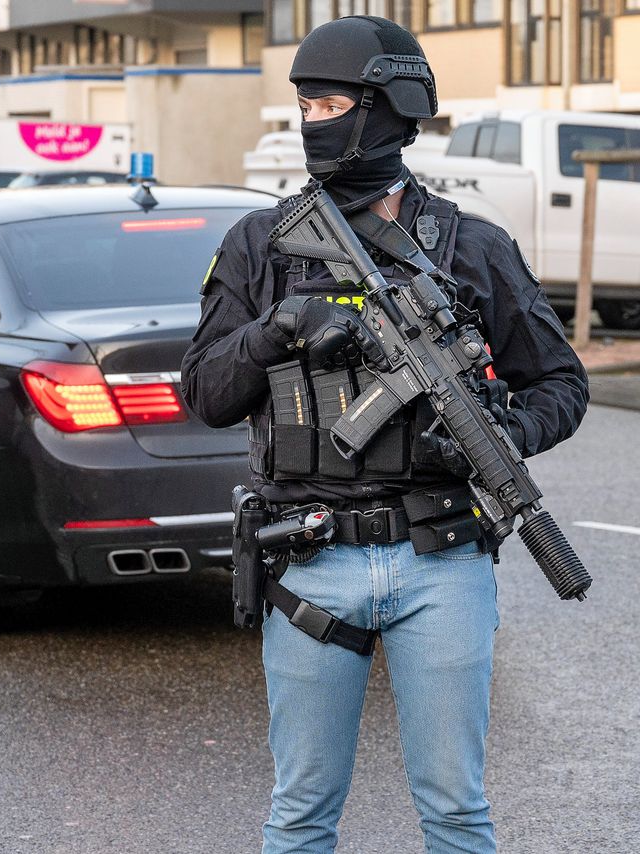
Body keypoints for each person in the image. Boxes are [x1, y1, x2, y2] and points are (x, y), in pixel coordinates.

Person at [180, 16, 588, 854]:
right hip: (312, 562)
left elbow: (563, 384)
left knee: (456, 813)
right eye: (304, 105)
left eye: (330, 104)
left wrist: (505, 426)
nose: (312, 123)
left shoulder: (471, 246)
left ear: (390, 110)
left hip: (442, 561)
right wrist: (280, 329)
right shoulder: (259, 245)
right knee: (300, 814)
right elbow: (205, 394)